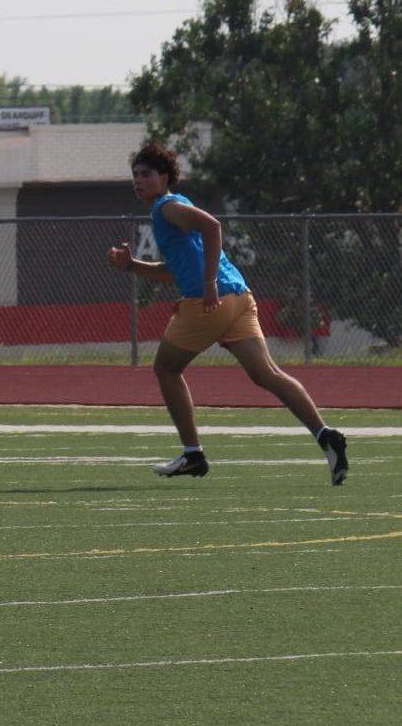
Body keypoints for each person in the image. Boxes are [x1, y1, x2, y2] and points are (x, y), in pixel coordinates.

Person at [108, 140, 348, 484]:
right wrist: (133, 265)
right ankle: (326, 436)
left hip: (209, 303)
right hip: (238, 297)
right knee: (267, 374)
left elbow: (213, 227)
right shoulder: (174, 206)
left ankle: (193, 454)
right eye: (135, 175)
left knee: (166, 368)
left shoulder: (165, 206)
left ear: (164, 178)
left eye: (145, 174)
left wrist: (208, 286)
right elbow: (176, 268)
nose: (138, 180)